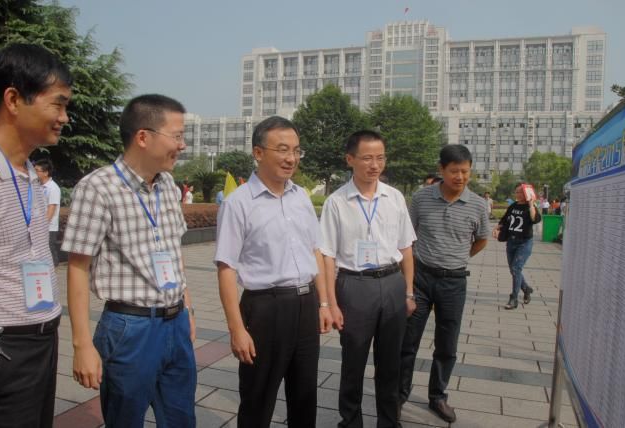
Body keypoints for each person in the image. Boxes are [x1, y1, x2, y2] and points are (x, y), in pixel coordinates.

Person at [62, 94, 196, 427]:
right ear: (143, 137)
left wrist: (188, 309)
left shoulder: (168, 185)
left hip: (176, 321)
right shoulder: (97, 188)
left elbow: (174, 252)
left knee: (181, 418)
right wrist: (82, 345)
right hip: (130, 328)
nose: (182, 145)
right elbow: (77, 268)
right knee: (125, 420)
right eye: (177, 136)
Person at [215, 116, 332, 428]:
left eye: (296, 150)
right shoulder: (238, 203)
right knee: (258, 399)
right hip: (264, 309)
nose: (291, 158)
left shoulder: (301, 197)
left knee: (305, 396)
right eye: (282, 149)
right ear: (258, 152)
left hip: (306, 305)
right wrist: (236, 329)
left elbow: (315, 251)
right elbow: (226, 267)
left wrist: (323, 303)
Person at [0, 43, 72, 428]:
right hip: (6, 346)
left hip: (41, 338)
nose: (64, 118)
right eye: (57, 104)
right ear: (13, 99)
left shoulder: (29, 175)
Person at [320, 130, 417, 427]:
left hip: (392, 283)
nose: (375, 165)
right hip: (354, 286)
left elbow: (406, 248)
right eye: (367, 158)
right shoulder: (336, 202)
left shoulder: (394, 198)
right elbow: (327, 256)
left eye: (380, 158)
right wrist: (331, 303)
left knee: (390, 364)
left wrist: (409, 292)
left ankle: (389, 421)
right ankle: (351, 421)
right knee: (354, 362)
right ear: (350, 159)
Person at [399, 145, 490, 423]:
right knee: (408, 341)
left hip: (454, 282)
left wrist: (459, 257)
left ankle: (437, 396)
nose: (460, 177)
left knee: (447, 344)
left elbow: (482, 239)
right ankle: (399, 395)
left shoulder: (477, 204)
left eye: (465, 171)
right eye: (454, 171)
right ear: (441, 170)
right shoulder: (422, 198)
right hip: (421, 279)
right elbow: (407, 236)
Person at [494, 184, 541, 309]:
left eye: (520, 192)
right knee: (514, 270)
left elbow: (535, 219)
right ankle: (526, 288)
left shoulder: (531, 207)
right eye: (516, 192)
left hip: (524, 242)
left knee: (516, 268)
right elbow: (505, 219)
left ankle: (514, 298)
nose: (517, 194)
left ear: (526, 193)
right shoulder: (513, 206)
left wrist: (531, 204)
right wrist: (497, 228)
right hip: (511, 241)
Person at [34, 159, 61, 266]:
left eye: (37, 170)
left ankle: (54, 268)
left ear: (46, 173)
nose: (34, 173)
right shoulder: (38, 185)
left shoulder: (53, 188)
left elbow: (51, 207)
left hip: (49, 227)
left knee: (49, 249)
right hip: (38, 225)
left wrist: (43, 225)